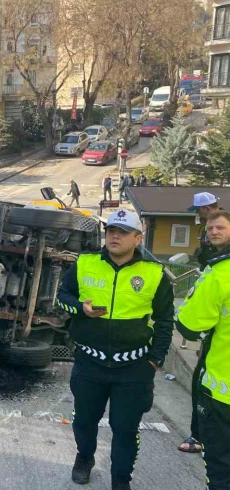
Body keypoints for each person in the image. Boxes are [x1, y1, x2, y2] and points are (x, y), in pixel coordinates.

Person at [56, 209, 174, 490]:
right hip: (90, 363)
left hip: (133, 369)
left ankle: (121, 480)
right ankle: (85, 457)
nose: (115, 236)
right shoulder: (85, 264)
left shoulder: (154, 273)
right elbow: (62, 296)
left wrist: (155, 360)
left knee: (125, 430)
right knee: (84, 422)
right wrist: (80, 309)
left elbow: (166, 320)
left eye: (122, 232)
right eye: (111, 231)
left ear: (137, 238)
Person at [176, 211, 230, 489]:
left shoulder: (220, 273)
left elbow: (188, 327)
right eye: (210, 229)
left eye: (220, 227)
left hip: (223, 392)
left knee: (221, 468)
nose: (213, 232)